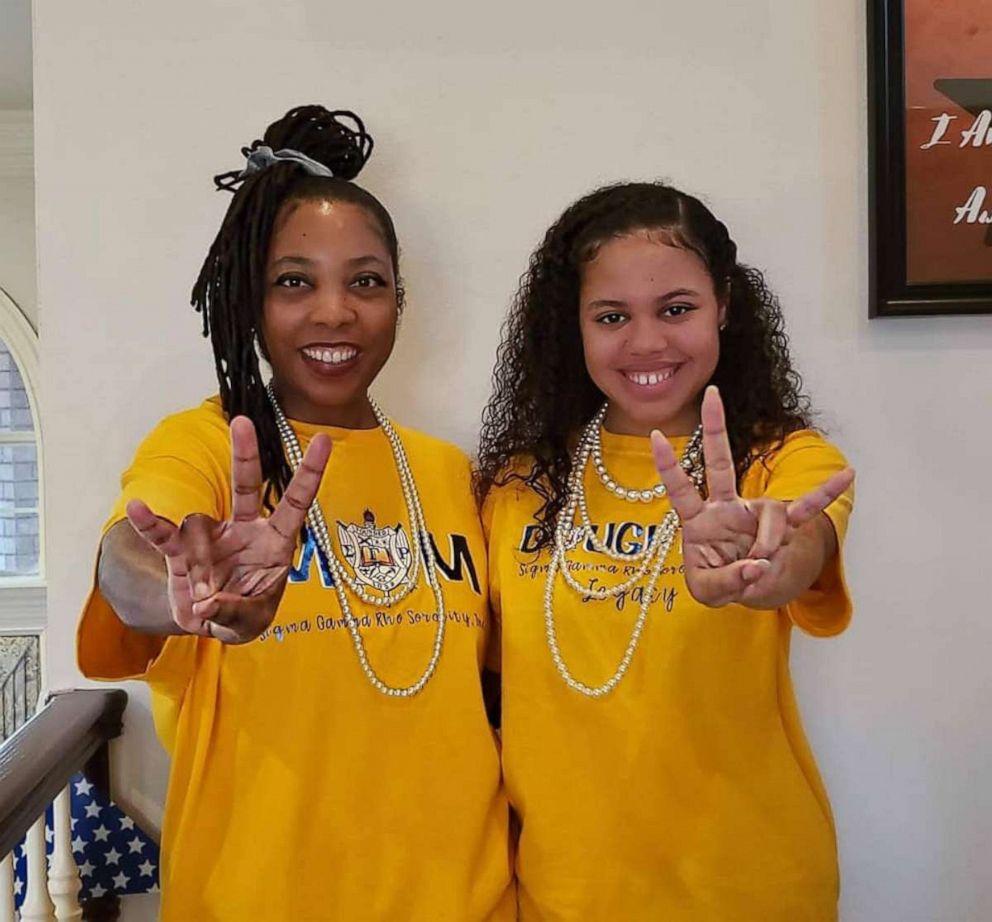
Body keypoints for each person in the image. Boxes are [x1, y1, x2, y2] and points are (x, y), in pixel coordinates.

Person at [77, 105, 514, 921]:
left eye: (366, 281)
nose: (334, 312)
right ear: (250, 300)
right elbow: (129, 555)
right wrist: (179, 586)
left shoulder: (450, 473)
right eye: (294, 281)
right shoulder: (212, 443)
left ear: (399, 299)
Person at [476, 181, 855, 921]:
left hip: (750, 888)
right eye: (611, 316)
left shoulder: (784, 464)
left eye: (676, 309)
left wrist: (765, 560)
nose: (646, 342)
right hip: (563, 898)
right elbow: (491, 698)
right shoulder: (515, 486)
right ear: (574, 329)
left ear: (725, 308)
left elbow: (798, 548)